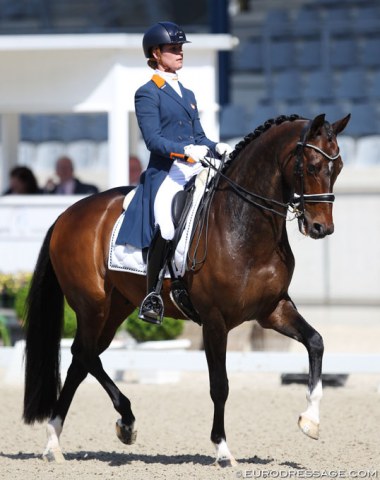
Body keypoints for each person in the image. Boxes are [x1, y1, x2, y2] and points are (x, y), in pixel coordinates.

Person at [115, 21, 233, 324]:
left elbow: (199, 135)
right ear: (156, 53)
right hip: (167, 172)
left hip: (194, 168)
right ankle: (152, 294)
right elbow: (153, 139)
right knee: (167, 225)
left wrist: (217, 146)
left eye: (181, 47)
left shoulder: (188, 92)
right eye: (173, 48)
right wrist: (185, 152)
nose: (180, 52)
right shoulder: (147, 93)